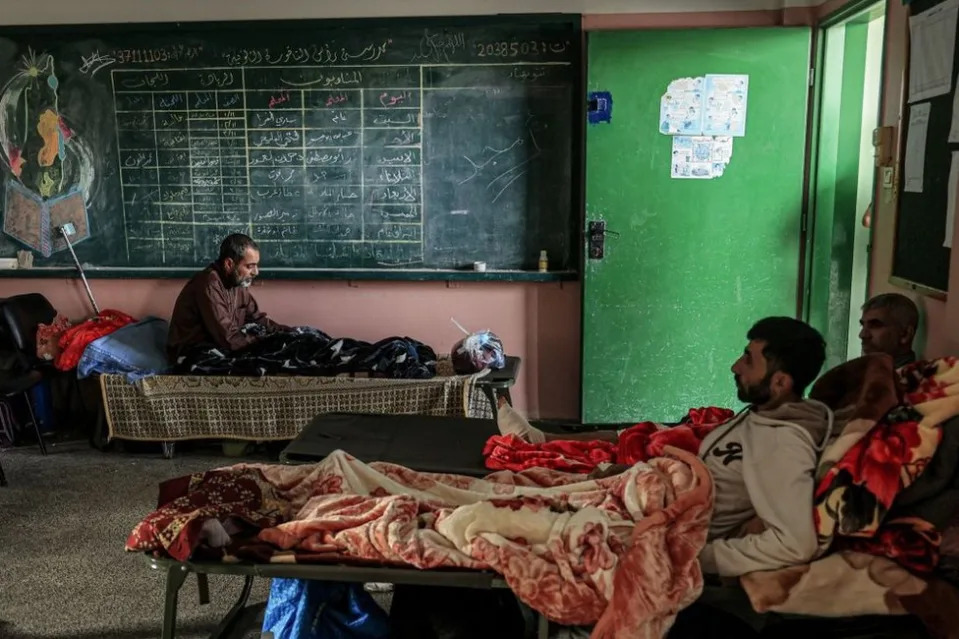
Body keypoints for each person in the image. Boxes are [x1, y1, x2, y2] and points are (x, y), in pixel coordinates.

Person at [497, 316, 834, 577]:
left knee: (500, 517)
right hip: (640, 492)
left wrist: (694, 557)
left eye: (748, 359)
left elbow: (795, 542)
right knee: (511, 491)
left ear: (780, 382)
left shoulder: (783, 443)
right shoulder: (763, 416)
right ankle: (542, 447)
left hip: (649, 520)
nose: (735, 366)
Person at [167, 233, 288, 364]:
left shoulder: (238, 283)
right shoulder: (209, 284)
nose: (256, 272)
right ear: (229, 264)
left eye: (256, 266)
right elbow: (228, 339)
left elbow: (258, 319)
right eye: (249, 266)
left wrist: (288, 333)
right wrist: (267, 341)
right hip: (193, 353)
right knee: (266, 361)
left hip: (222, 346)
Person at [859, 293, 919, 368]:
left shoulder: (907, 377)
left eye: (875, 325)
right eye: (862, 325)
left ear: (905, 334)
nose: (862, 334)